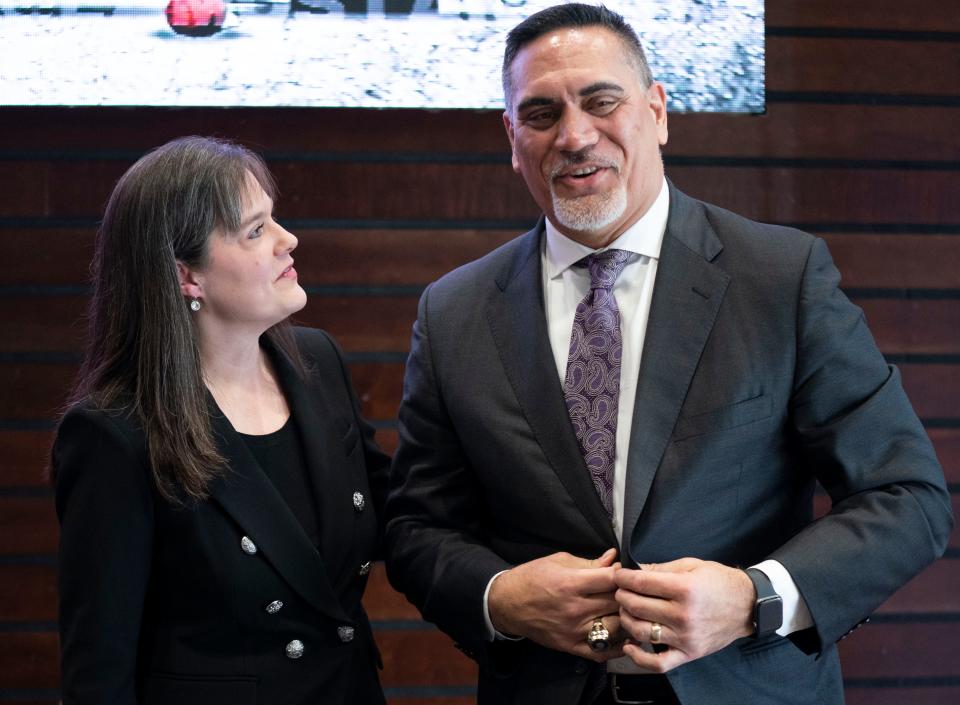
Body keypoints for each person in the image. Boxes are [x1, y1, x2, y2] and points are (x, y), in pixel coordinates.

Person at [383, 5, 953, 705]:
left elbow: (908, 498)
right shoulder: (453, 313)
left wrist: (754, 597)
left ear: (656, 112)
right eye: (540, 114)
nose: (574, 135)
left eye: (601, 101)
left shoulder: (781, 277)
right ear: (512, 137)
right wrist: (500, 596)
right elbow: (416, 527)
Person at [51, 136, 389, 705]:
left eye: (273, 219)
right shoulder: (113, 432)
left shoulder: (318, 363)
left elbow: (395, 516)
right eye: (256, 231)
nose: (288, 240)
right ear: (187, 277)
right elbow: (98, 673)